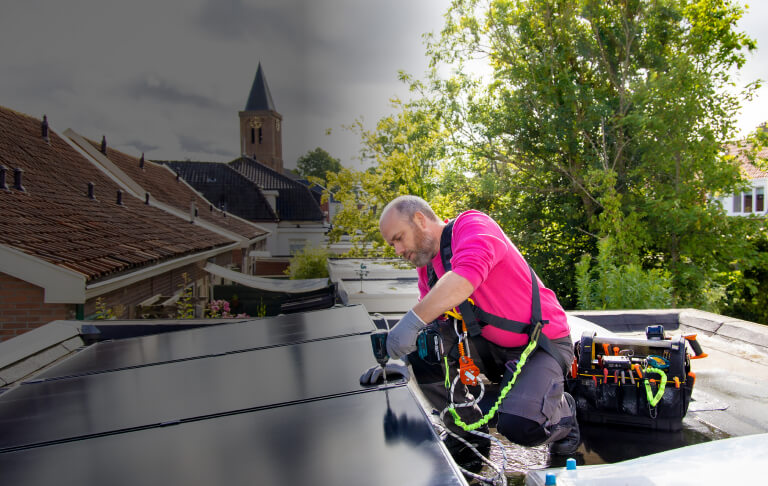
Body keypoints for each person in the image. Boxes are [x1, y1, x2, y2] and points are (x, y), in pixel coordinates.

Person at [361, 195, 580, 458]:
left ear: (420, 220)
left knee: (521, 426)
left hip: (541, 345)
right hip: (490, 348)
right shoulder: (428, 270)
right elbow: (433, 326)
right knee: (425, 347)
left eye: (398, 238)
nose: (397, 250)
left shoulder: (473, 225)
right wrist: (402, 360)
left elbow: (465, 276)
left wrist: (410, 322)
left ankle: (564, 415)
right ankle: (469, 435)